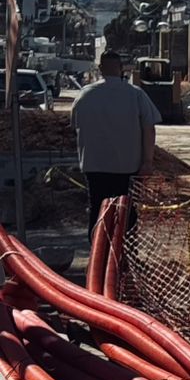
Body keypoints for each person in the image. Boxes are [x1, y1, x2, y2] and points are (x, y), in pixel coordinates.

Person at [70, 50, 158, 241]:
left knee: (97, 210)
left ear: (100, 69)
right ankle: (126, 255)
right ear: (121, 69)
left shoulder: (84, 96)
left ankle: (97, 257)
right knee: (126, 212)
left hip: (95, 166)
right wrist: (147, 162)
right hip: (127, 166)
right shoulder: (135, 95)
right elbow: (149, 129)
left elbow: (74, 126)